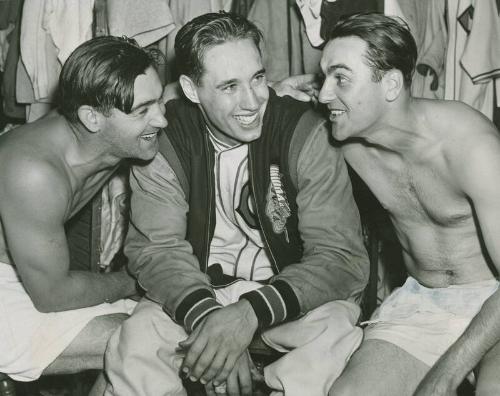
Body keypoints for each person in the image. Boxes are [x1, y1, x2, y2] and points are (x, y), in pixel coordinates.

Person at [105, 12, 369, 396]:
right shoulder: (165, 141)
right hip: (198, 291)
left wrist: (248, 315)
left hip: (287, 293)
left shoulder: (305, 131)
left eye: (258, 78)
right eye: (229, 86)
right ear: (192, 90)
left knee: (336, 330)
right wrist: (210, 321)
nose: (252, 101)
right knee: (135, 341)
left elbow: (339, 255)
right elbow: (157, 251)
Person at [317, 12, 500, 396]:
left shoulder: (470, 145)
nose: (324, 94)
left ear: (391, 85)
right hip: (424, 300)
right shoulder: (347, 142)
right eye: (323, 78)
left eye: (341, 79)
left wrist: (446, 374)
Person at [0, 36, 168, 394]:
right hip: (18, 283)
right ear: (92, 118)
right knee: (146, 340)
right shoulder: (34, 173)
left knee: (153, 329)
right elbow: (53, 294)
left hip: (24, 273)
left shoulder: (110, 133)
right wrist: (134, 281)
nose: (162, 119)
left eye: (160, 100)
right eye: (143, 110)